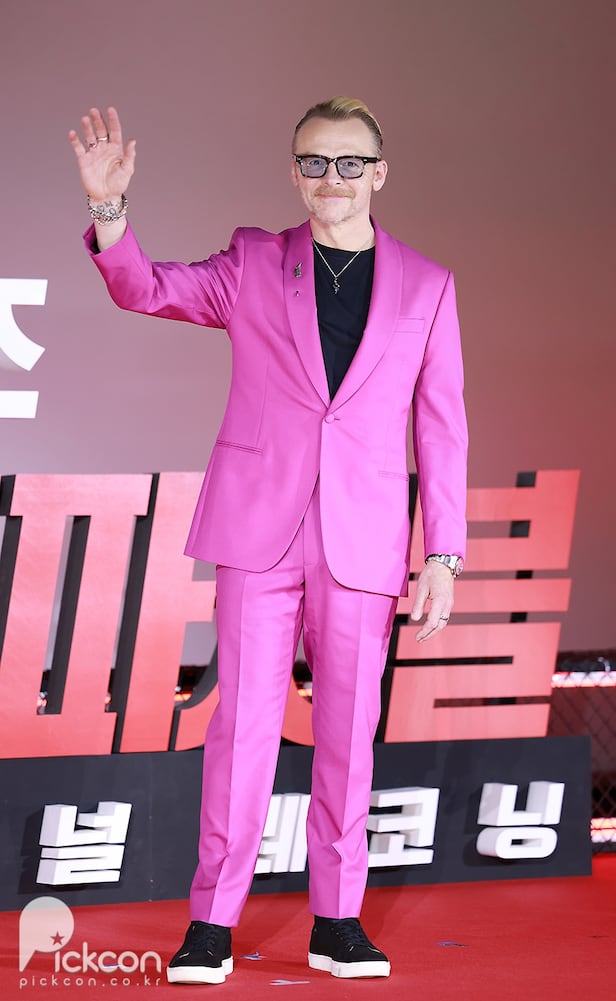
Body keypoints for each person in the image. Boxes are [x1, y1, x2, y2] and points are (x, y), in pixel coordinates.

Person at [69, 97, 467, 985]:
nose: (333, 178)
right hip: (260, 533)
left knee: (348, 737)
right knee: (242, 728)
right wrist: (108, 209)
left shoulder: (429, 285)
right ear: (294, 171)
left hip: (363, 539)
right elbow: (146, 287)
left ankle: (339, 920)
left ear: (380, 172)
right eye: (315, 162)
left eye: (350, 162)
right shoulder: (254, 261)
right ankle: (211, 922)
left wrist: (443, 554)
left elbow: (442, 427)